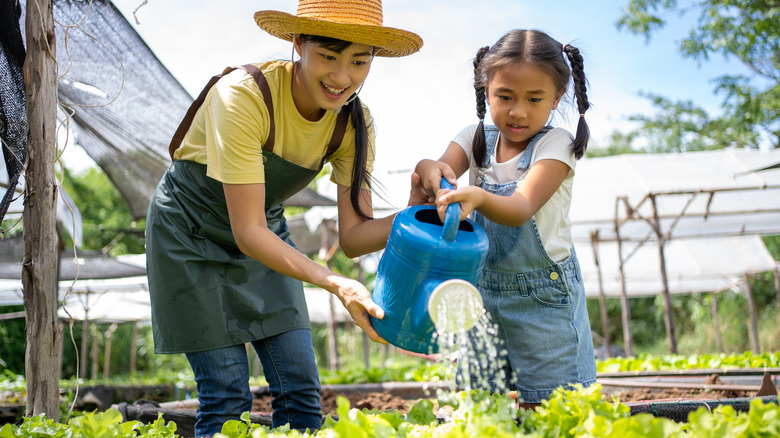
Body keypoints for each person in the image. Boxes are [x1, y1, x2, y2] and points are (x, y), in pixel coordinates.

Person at [144, 1, 423, 435]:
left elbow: (354, 237)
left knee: (300, 391)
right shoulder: (243, 94)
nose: (342, 77)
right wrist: (335, 282)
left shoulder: (352, 122)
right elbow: (247, 229)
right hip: (189, 236)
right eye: (328, 56)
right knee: (226, 394)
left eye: (359, 61)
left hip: (263, 237)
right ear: (299, 43)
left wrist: (420, 213)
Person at [414, 29, 596, 409]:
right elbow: (440, 165)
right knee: (479, 402)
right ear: (486, 88)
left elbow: (520, 208)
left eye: (534, 99)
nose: (518, 111)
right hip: (482, 295)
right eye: (505, 97)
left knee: (550, 408)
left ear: (557, 97)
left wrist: (477, 195)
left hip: (543, 300)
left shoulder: (556, 145)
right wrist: (429, 170)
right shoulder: (476, 137)